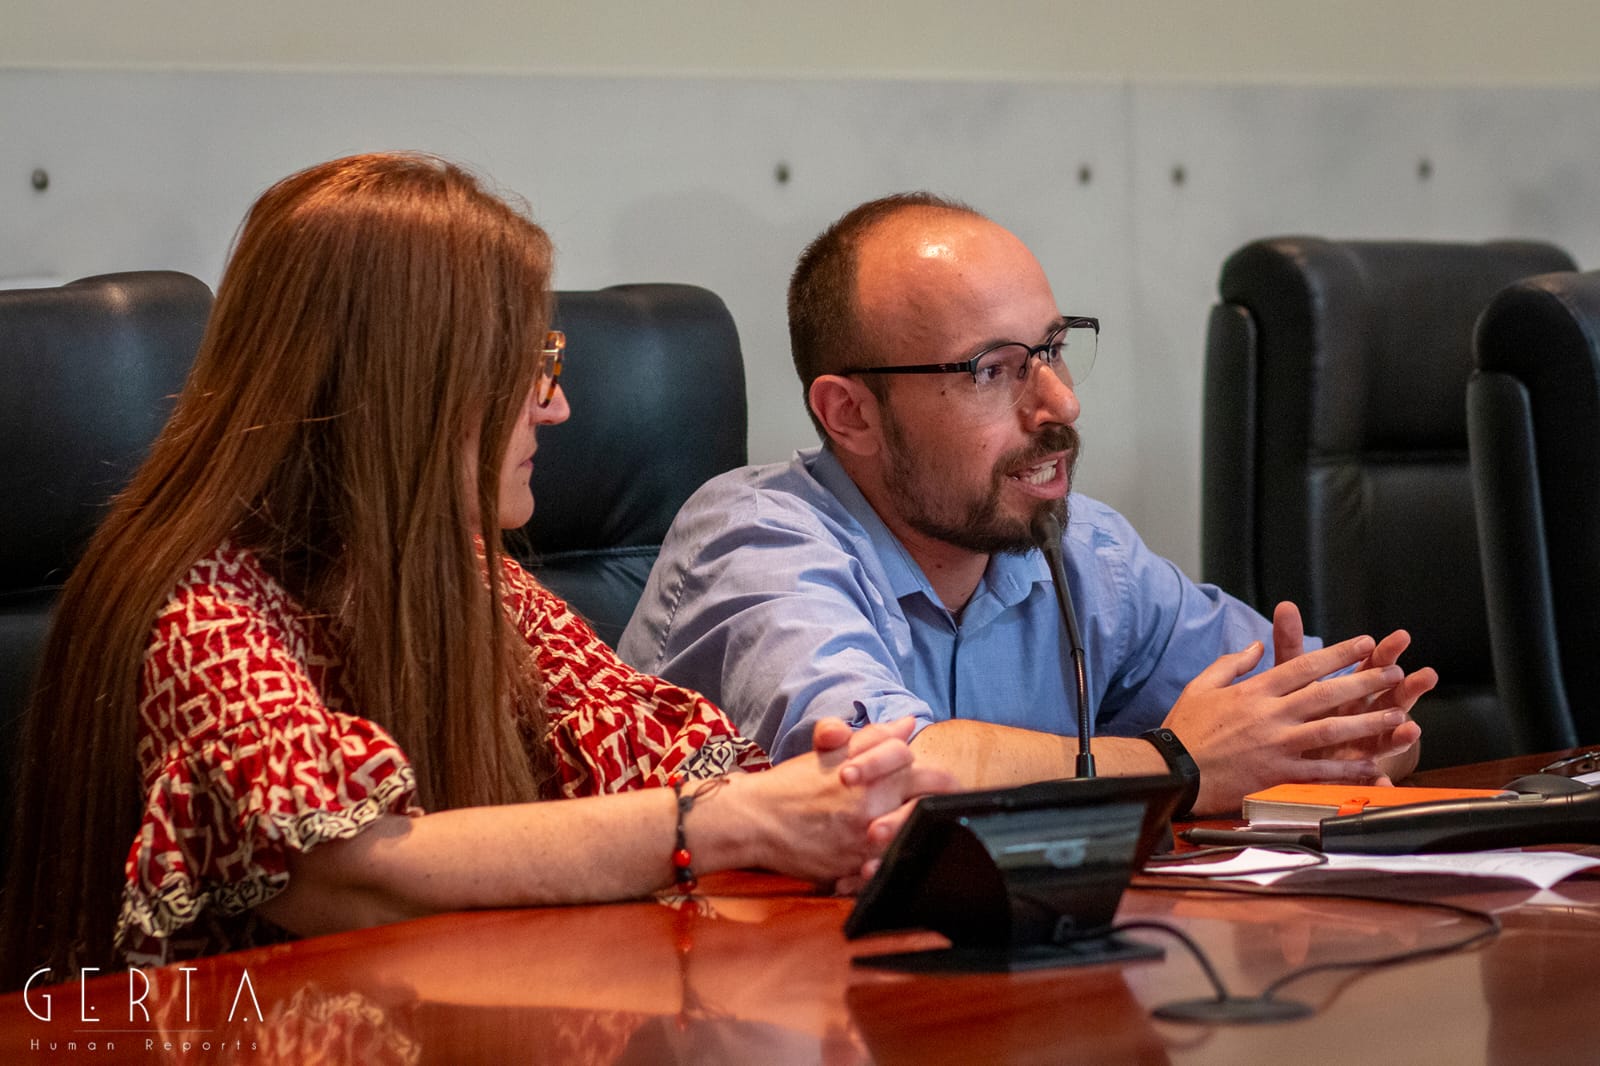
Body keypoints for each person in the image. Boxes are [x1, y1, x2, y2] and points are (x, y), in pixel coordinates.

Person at [0, 156, 951, 988]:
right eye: (529, 364)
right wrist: (730, 823)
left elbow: (660, 758)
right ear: (409, 385)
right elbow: (348, 871)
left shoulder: (461, 568)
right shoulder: (201, 601)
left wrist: (834, 801)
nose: (559, 406)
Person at [619, 192, 1435, 816]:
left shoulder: (1085, 551)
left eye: (1052, 349)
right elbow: (887, 779)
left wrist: (1350, 738)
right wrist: (1179, 762)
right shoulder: (756, 541)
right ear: (851, 414)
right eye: (993, 369)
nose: (1061, 405)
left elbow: (1342, 731)